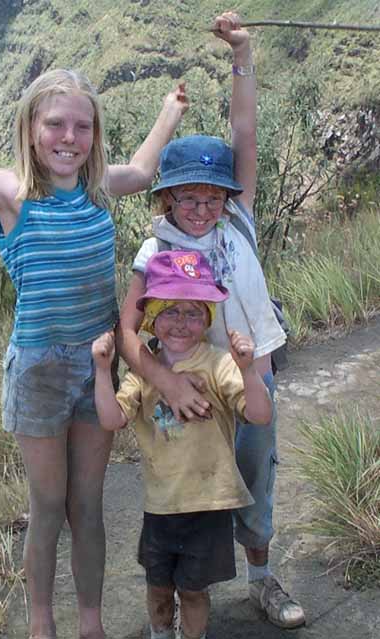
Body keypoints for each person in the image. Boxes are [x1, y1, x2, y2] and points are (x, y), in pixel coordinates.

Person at [0, 37, 189, 639]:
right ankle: (41, 625)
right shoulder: (11, 192)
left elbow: (145, 166)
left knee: (89, 505)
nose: (69, 137)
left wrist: (170, 111)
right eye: (55, 123)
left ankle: (92, 625)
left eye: (82, 126)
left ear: (94, 135)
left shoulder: (100, 184)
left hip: (98, 364)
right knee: (48, 507)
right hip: (38, 371)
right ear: (30, 128)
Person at [117, 11, 306, 630]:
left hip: (248, 376)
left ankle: (260, 579)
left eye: (213, 195)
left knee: (255, 476)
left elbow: (243, 130)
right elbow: (127, 328)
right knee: (192, 489)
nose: (202, 208)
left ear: (228, 196)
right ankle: (178, 602)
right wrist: (164, 381)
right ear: (166, 196)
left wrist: (242, 55)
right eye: (188, 196)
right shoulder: (155, 250)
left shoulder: (239, 221)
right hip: (191, 384)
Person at [92, 250, 273, 639]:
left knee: (194, 591)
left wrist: (247, 367)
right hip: (161, 506)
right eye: (170, 311)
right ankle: (160, 633)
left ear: (208, 318)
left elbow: (259, 415)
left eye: (193, 312)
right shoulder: (144, 374)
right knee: (158, 588)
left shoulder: (219, 363)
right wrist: (101, 371)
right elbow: (111, 419)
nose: (181, 322)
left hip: (209, 503)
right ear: (152, 319)